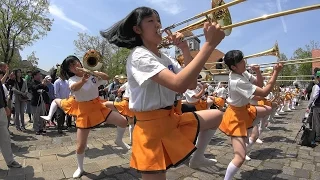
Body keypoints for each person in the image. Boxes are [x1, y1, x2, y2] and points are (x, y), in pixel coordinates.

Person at [101, 6, 225, 180]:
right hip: (150, 129)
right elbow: (178, 84)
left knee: (217, 115)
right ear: (137, 29)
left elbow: (191, 84)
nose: (158, 24)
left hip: (171, 119)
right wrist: (209, 45)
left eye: (158, 20)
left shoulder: (166, 58)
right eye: (151, 21)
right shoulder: (139, 55)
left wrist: (185, 50)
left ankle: (197, 158)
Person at [41, 55, 128, 178]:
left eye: (75, 62)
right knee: (81, 145)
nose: (75, 66)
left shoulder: (92, 75)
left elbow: (107, 78)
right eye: (71, 65)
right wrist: (83, 80)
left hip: (97, 106)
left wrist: (93, 72)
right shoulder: (72, 79)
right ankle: (80, 168)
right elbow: (73, 88)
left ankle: (118, 140)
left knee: (123, 121)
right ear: (69, 70)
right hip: (84, 111)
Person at [218, 50, 282, 180]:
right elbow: (264, 92)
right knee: (240, 158)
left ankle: (249, 129)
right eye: (241, 61)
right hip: (235, 116)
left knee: (268, 108)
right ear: (233, 67)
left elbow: (259, 84)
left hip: (245, 109)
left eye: (243, 59)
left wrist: (258, 72)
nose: (244, 62)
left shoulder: (242, 72)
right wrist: (276, 72)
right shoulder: (237, 80)